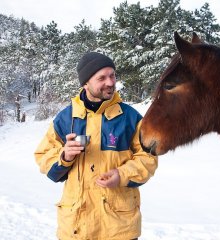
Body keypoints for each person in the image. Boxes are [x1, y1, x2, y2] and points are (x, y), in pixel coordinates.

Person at [34, 52, 158, 240]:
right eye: (101, 78)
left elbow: (149, 158)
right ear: (85, 83)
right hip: (76, 228)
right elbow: (42, 156)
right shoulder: (66, 118)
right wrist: (64, 156)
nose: (110, 82)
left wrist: (122, 174)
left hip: (119, 228)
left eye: (112, 75)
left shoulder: (131, 118)